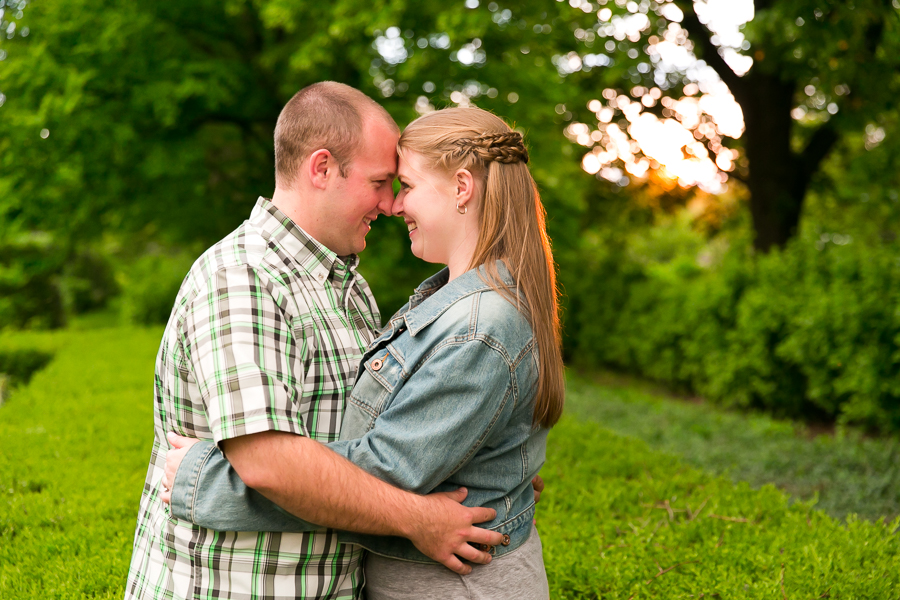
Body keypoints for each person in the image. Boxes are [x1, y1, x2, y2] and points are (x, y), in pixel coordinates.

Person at [162, 106, 565, 599]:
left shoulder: (473, 323)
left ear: (462, 188)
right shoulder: (244, 279)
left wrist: (205, 482)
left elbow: (389, 465)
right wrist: (484, 474)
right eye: (383, 182)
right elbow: (312, 458)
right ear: (322, 168)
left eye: (405, 185)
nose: (393, 204)